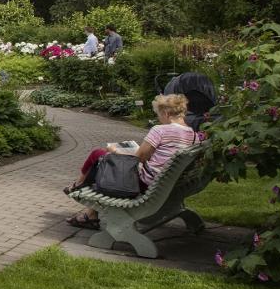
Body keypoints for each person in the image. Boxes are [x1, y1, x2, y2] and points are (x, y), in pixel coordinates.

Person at [66, 93, 201, 227]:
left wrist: (115, 150)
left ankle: (77, 186)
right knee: (106, 163)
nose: (159, 119)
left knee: (98, 154)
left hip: (145, 184)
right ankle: (89, 212)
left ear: (165, 113)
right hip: (168, 184)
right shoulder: (194, 136)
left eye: (158, 115)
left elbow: (138, 158)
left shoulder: (161, 130)